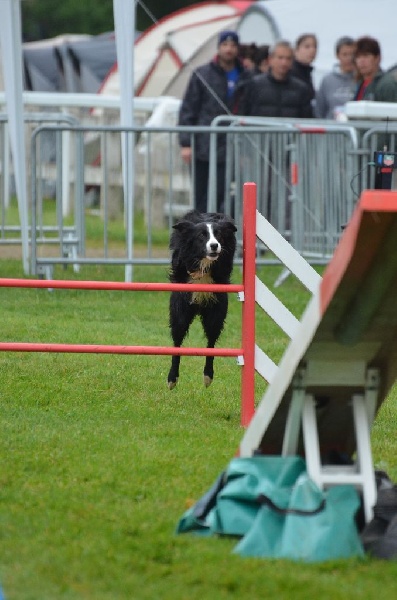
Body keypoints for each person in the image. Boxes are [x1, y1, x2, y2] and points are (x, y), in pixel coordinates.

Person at [178, 30, 251, 213]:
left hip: (230, 146)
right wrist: (186, 142)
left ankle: (213, 233)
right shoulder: (202, 74)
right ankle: (200, 235)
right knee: (200, 194)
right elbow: (189, 108)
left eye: (233, 45)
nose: (228, 49)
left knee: (220, 193)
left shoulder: (246, 76)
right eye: (225, 45)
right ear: (218, 48)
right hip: (203, 143)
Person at [241, 40, 313, 118]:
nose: (284, 63)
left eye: (288, 58)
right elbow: (243, 114)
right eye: (280, 58)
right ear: (270, 60)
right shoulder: (254, 85)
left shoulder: (301, 89)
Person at [315, 36, 356, 119]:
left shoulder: (361, 81)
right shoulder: (327, 80)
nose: (349, 59)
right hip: (332, 129)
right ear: (337, 55)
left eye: (352, 54)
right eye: (345, 54)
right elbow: (319, 110)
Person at [353, 36, 397, 102]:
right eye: (358, 57)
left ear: (377, 58)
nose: (361, 61)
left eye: (366, 56)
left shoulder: (387, 84)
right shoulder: (359, 84)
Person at [291, 33, 318, 102]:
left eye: (315, 47)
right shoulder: (291, 72)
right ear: (296, 50)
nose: (312, 50)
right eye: (307, 47)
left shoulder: (307, 72)